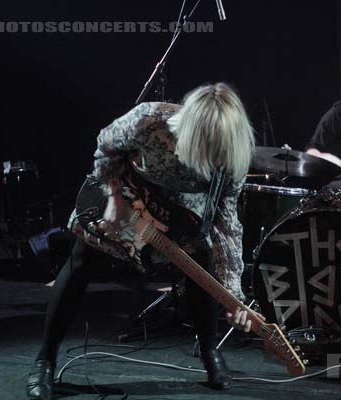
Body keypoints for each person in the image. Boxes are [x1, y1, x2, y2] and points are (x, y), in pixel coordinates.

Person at [26, 82, 257, 399]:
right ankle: (45, 360)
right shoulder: (149, 119)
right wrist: (114, 196)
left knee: (203, 259)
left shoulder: (234, 157)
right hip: (125, 192)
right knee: (82, 259)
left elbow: (227, 223)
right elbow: (106, 145)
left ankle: (210, 354)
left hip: (180, 209)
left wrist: (232, 295)